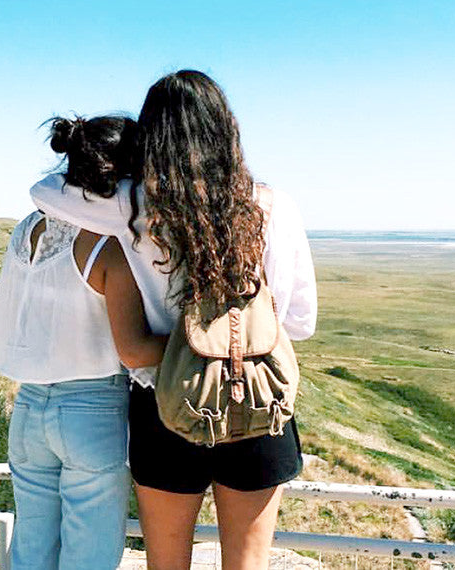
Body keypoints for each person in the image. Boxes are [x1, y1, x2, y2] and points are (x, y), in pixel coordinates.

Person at [30, 70, 317, 570]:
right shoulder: (273, 206)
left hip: (166, 404)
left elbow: (44, 191)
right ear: (226, 130)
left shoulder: (131, 207)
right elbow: (298, 322)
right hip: (255, 398)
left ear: (151, 135)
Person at [0, 115, 166, 570]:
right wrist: (198, 341)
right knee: (90, 558)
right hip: (91, 407)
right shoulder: (106, 247)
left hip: (27, 408)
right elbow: (135, 350)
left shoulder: (27, 229)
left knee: (31, 549)